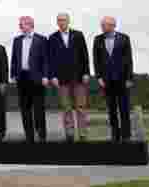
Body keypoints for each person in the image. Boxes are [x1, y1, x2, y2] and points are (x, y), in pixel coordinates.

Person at [47, 12, 92, 143]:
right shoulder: (52, 38)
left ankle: (83, 134)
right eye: (59, 20)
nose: (61, 22)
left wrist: (86, 73)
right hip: (61, 79)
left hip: (78, 77)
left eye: (64, 20)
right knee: (66, 108)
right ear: (57, 22)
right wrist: (52, 76)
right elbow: (50, 60)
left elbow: (85, 55)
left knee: (81, 107)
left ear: (68, 21)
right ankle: (70, 134)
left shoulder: (78, 35)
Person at [93, 16, 135, 143]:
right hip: (106, 80)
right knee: (111, 110)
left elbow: (129, 59)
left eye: (105, 25)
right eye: (102, 25)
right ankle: (115, 135)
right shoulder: (97, 39)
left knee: (124, 109)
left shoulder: (124, 38)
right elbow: (96, 60)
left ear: (112, 25)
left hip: (122, 79)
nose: (102, 27)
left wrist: (129, 78)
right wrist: (98, 77)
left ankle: (126, 135)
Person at [11, 16, 50, 143]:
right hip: (22, 78)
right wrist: (13, 75)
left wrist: (45, 76)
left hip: (37, 78)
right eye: (20, 25)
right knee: (25, 108)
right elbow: (14, 59)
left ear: (30, 25)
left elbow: (45, 59)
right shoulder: (17, 40)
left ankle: (41, 134)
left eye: (22, 24)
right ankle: (29, 135)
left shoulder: (42, 39)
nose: (20, 27)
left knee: (39, 108)